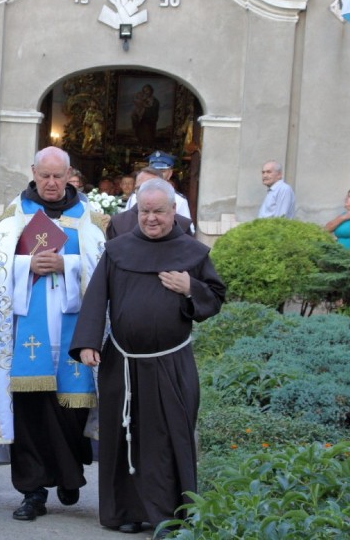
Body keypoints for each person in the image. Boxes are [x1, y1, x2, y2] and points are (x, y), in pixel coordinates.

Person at [0, 146, 107, 522]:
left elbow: (104, 270)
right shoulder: (14, 219)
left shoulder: (90, 220)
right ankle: (33, 492)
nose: (51, 183)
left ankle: (69, 476)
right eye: (44, 175)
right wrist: (25, 266)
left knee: (73, 410)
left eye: (58, 176)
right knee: (30, 414)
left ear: (70, 174)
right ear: (34, 174)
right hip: (27, 338)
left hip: (75, 336)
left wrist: (67, 264)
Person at [70, 179, 225, 535]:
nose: (151, 218)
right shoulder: (118, 249)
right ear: (135, 211)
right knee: (121, 435)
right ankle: (124, 511)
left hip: (170, 363)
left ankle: (168, 515)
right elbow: (97, 298)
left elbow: (214, 299)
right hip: (121, 361)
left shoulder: (193, 253)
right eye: (144, 211)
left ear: (173, 211)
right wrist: (88, 342)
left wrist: (191, 288)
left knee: (167, 438)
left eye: (158, 211)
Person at [108, 173, 193, 239]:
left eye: (158, 211)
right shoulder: (117, 223)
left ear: (174, 208)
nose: (151, 218)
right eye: (139, 188)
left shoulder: (183, 225)